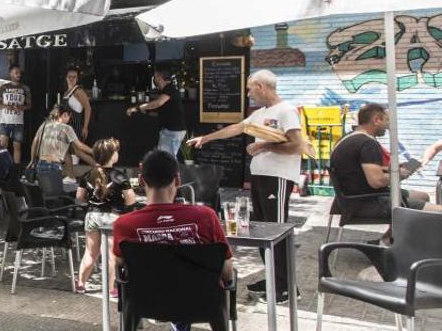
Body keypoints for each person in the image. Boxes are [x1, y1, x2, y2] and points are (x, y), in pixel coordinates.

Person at [187, 69, 304, 302]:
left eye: (251, 88)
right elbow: (237, 128)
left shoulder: (286, 111)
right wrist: (206, 138)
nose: (249, 93)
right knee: (261, 230)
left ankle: (286, 287)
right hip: (261, 177)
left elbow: (297, 145)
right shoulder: (260, 113)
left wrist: (264, 147)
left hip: (278, 177)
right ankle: (273, 278)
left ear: (261, 86)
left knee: (276, 229)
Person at [112, 149, 234, 331]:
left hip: (145, 303)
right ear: (177, 180)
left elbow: (120, 269)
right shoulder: (206, 217)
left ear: (141, 181)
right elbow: (227, 272)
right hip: (201, 305)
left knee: (164, 279)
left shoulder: (123, 225)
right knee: (184, 280)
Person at [329, 103, 441, 242]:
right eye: (386, 120)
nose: (388, 126)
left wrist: (392, 169)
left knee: (422, 196)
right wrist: (400, 174)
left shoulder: (349, 138)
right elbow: (376, 181)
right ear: (376, 120)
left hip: (350, 200)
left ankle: (387, 241)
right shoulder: (367, 143)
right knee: (438, 212)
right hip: (366, 202)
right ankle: (393, 246)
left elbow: (356, 171)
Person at [74, 138, 136, 295]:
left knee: (90, 252)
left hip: (92, 216)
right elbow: (131, 199)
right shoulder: (120, 176)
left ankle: (81, 283)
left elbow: (80, 198)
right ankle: (109, 288)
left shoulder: (87, 175)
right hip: (112, 218)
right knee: (110, 255)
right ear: (111, 156)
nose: (117, 154)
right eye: (116, 152)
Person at [30, 102, 94, 188]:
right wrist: (95, 151)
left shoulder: (44, 125)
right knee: (54, 193)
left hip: (41, 165)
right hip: (54, 166)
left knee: (46, 192)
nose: (69, 120)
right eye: (69, 117)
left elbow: (34, 143)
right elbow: (80, 146)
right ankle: (96, 166)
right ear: (64, 115)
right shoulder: (67, 128)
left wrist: (32, 160)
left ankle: (71, 177)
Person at [127, 68, 186, 157]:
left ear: (159, 77)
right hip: (170, 130)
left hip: (172, 131)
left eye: (155, 77)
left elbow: (158, 103)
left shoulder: (169, 89)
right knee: (165, 159)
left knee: (166, 160)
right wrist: (146, 112)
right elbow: (161, 113)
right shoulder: (166, 90)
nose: (154, 80)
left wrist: (138, 108)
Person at [0, 64, 32, 163]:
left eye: (19, 73)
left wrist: (21, 107)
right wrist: (6, 106)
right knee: (3, 145)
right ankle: (2, 166)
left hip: (18, 122)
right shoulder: (3, 87)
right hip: (5, 121)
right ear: (10, 73)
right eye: (16, 72)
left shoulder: (25, 88)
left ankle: (16, 169)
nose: (18, 75)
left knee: (17, 146)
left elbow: (29, 105)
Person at [61, 66, 92, 140]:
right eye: (69, 77)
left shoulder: (78, 91)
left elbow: (88, 108)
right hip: (66, 129)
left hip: (76, 129)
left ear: (77, 79)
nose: (71, 79)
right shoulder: (66, 93)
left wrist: (85, 127)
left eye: (74, 77)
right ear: (66, 78)